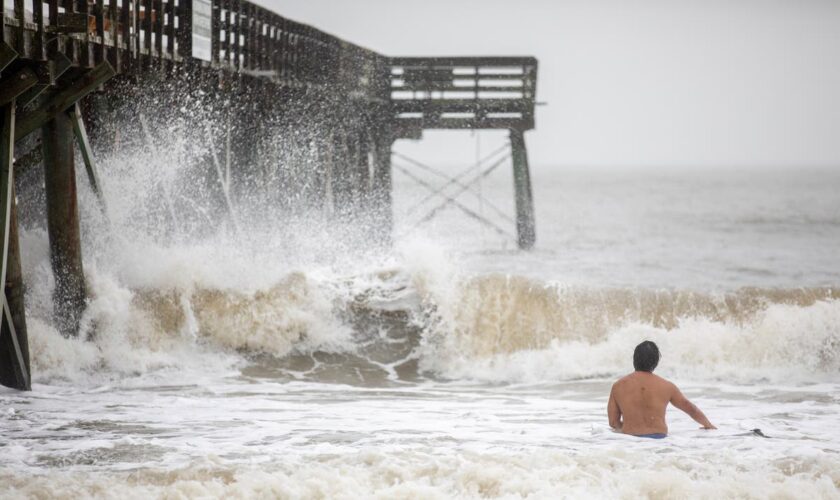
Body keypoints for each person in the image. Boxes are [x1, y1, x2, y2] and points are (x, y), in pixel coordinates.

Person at [607, 340, 716, 438]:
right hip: (659, 441)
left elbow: (613, 422)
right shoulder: (667, 386)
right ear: (656, 361)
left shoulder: (618, 386)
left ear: (634, 359)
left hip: (631, 442)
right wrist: (707, 424)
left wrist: (630, 428)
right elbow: (690, 408)